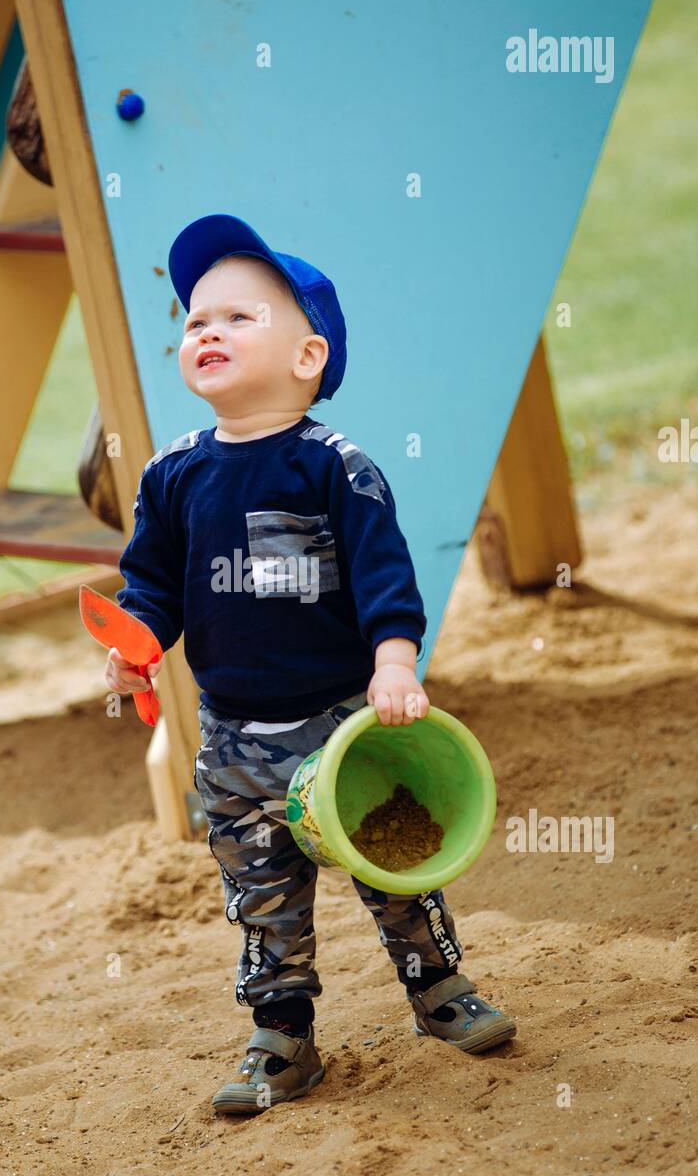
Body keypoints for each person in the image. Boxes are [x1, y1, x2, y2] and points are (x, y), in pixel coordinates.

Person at [104, 213, 516, 1115]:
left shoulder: (337, 467)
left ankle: (438, 989)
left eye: (238, 318)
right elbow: (152, 586)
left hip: (344, 726)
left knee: (391, 868)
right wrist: (135, 648)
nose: (205, 330)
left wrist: (396, 665)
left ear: (307, 357)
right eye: (194, 319)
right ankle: (282, 1036)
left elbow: (383, 580)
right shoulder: (172, 475)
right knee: (263, 896)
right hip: (233, 738)